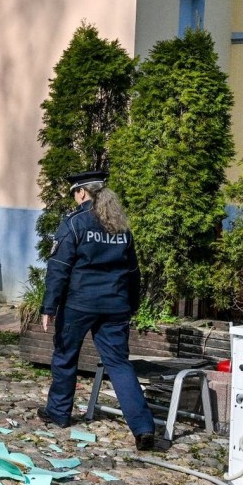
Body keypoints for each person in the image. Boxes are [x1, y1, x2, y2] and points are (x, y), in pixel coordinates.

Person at [38, 170, 157, 451]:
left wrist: (48, 306)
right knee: (119, 364)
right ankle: (143, 428)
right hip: (115, 305)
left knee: (66, 356)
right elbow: (133, 271)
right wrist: (132, 304)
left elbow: (59, 269)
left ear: (81, 193)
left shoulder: (74, 224)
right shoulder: (120, 226)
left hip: (79, 303)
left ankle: (58, 413)